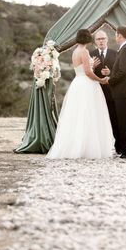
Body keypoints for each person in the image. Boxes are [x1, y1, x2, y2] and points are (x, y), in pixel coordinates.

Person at [46, 29, 113, 160]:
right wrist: (101, 80)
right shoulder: (84, 51)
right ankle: (87, 148)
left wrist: (93, 65)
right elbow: (88, 72)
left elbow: (82, 69)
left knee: (78, 115)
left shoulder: (75, 51)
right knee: (89, 114)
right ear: (87, 39)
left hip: (77, 83)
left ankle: (76, 146)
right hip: (87, 84)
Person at [106, 26, 126, 159]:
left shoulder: (125, 49)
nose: (116, 37)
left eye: (116, 35)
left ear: (119, 35)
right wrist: (111, 73)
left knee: (124, 122)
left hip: (123, 91)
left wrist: (109, 80)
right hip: (125, 91)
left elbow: (123, 72)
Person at [90, 30, 120, 154]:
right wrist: (92, 68)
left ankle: (118, 146)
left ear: (107, 40)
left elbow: (120, 72)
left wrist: (110, 73)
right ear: (95, 42)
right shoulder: (90, 54)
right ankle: (97, 146)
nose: (101, 41)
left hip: (112, 93)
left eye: (103, 38)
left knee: (114, 119)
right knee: (96, 120)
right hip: (95, 93)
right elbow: (86, 73)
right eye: (98, 39)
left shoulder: (116, 53)